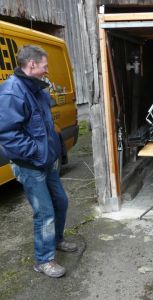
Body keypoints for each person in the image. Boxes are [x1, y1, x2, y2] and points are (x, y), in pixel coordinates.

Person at [0, 45, 77, 277]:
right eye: (44, 66)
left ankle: (56, 240)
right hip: (29, 165)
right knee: (44, 213)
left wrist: (51, 151)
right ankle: (43, 260)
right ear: (31, 64)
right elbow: (8, 135)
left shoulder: (36, 89)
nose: (47, 70)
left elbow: (45, 125)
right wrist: (37, 152)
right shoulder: (12, 92)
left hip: (46, 161)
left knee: (61, 202)